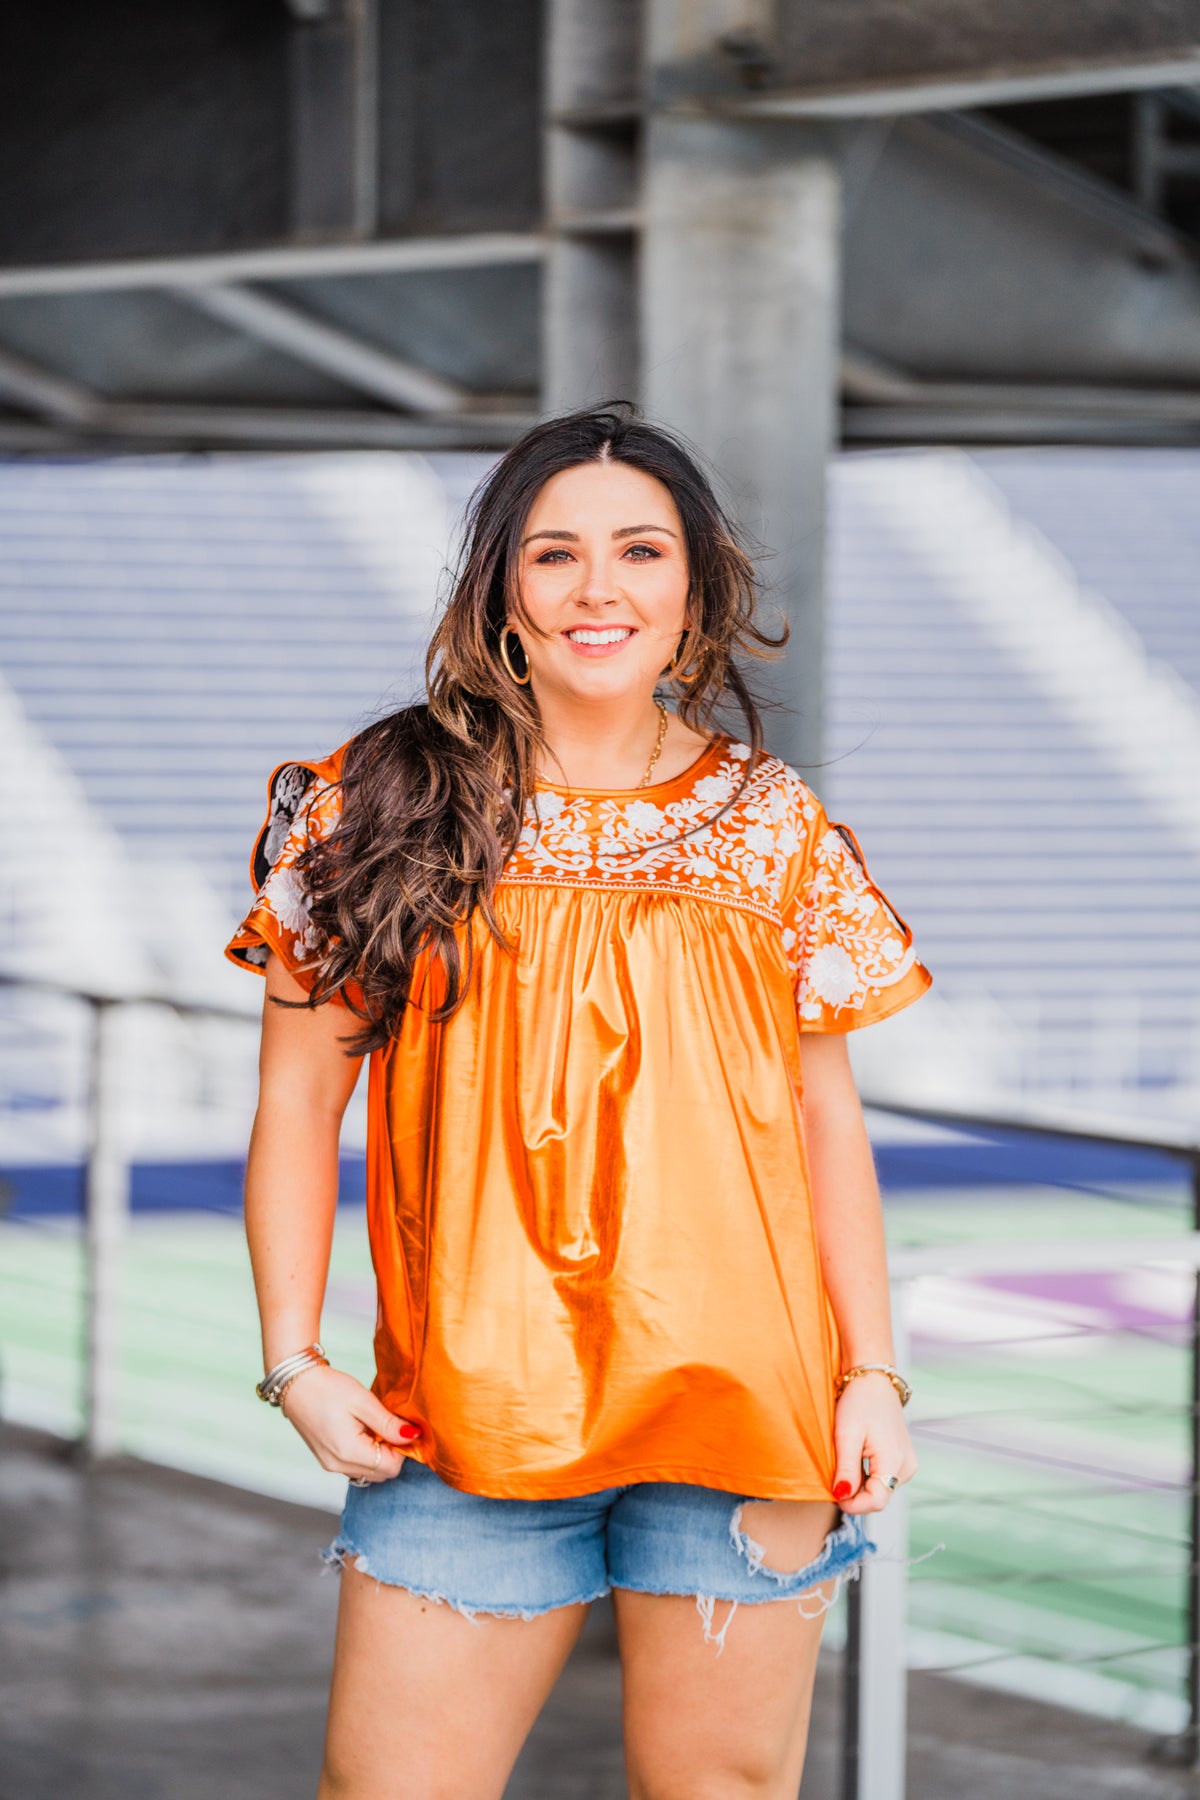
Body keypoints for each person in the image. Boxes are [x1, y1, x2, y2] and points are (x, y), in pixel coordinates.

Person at [227, 403, 930, 1800]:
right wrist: (294, 1359)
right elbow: (300, 1102)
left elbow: (821, 1119)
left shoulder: (774, 823)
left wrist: (872, 1373)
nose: (598, 587)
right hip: (463, 1421)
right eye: (554, 555)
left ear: (696, 590)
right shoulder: (374, 801)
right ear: (502, 593)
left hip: (746, 1417)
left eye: (640, 550)